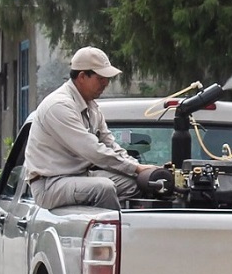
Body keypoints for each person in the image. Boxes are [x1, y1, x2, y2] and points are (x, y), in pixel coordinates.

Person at [24, 46, 157, 210]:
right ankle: (119, 232)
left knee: (139, 184)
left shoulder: (92, 107)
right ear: (82, 76)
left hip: (81, 176)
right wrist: (136, 167)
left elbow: (110, 145)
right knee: (104, 188)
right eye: (101, 78)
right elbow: (92, 150)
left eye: (107, 79)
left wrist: (142, 171)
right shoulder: (59, 106)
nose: (106, 83)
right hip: (50, 184)